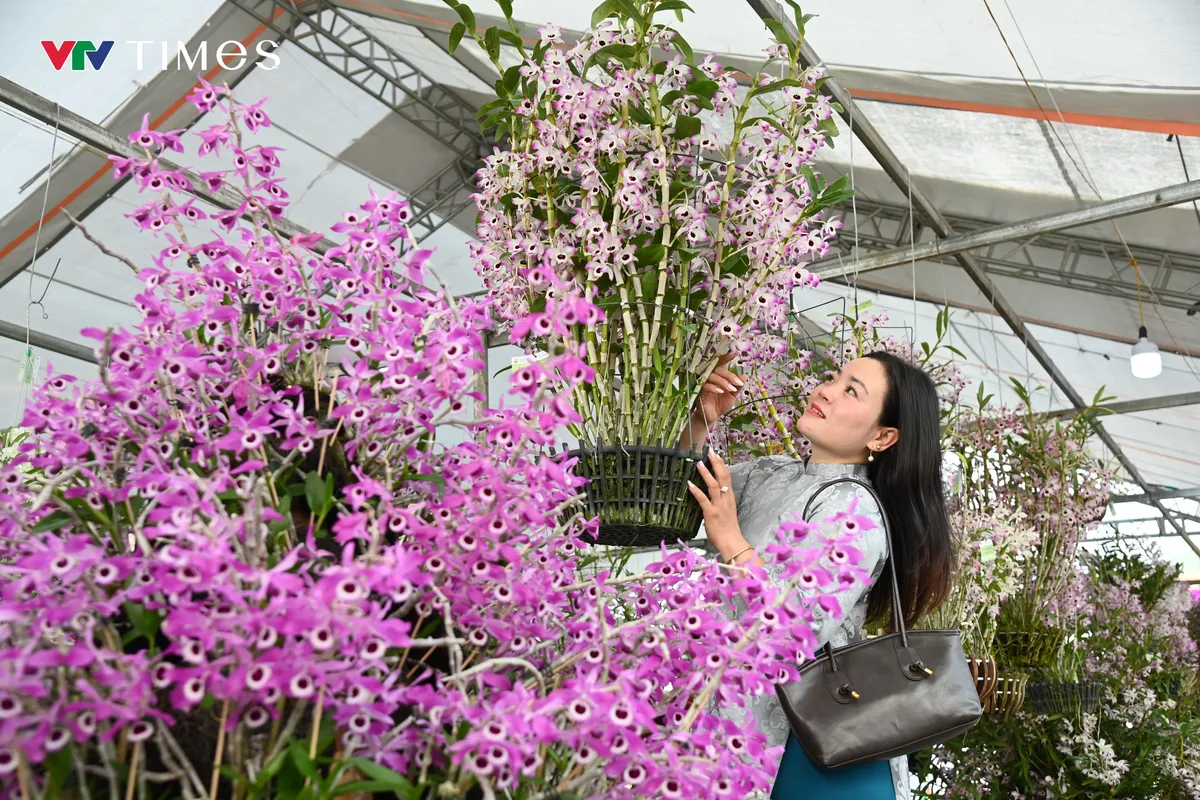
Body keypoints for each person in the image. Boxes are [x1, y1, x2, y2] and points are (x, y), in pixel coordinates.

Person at [680, 351, 954, 800]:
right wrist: (700, 422)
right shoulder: (773, 474)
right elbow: (673, 504)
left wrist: (731, 539)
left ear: (883, 437)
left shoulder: (855, 508)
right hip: (737, 724)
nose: (825, 390)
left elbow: (792, 630)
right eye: (834, 378)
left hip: (808, 750)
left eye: (851, 390)